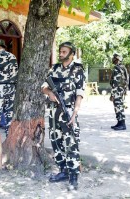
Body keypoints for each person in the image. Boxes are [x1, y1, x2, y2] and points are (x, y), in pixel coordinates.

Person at [41, 41, 85, 191]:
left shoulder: (78, 70)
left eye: (64, 52)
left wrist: (75, 113)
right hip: (54, 112)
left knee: (71, 142)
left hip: (68, 111)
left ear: (71, 54)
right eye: (60, 51)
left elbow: (80, 93)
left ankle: (73, 175)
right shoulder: (54, 69)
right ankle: (63, 171)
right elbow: (43, 87)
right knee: (56, 141)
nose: (61, 54)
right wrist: (50, 93)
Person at [110, 53, 129, 131]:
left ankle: (122, 124)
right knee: (119, 106)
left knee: (118, 107)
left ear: (117, 59)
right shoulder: (123, 67)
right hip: (121, 90)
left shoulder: (117, 68)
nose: (112, 59)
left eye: (114, 58)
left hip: (117, 90)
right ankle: (119, 122)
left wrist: (112, 94)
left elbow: (116, 82)